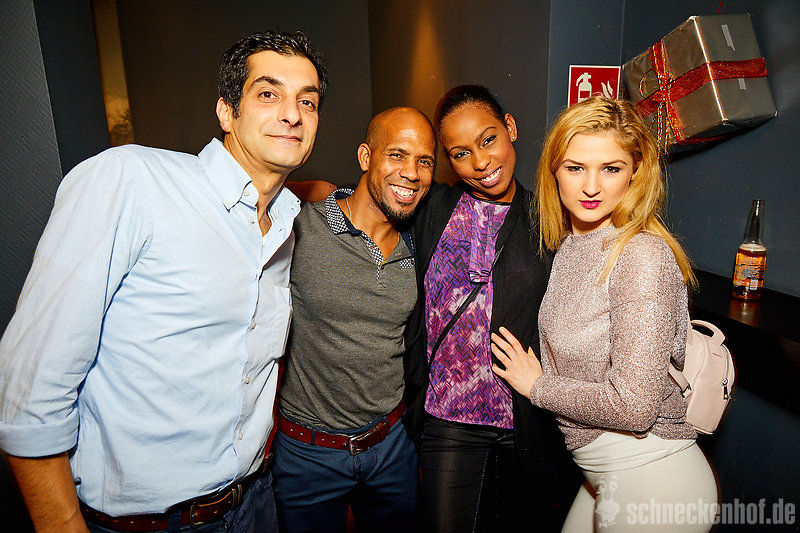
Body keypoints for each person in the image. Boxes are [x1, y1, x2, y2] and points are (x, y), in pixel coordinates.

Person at [0, 30, 327, 533]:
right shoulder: (131, 181)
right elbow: (28, 388)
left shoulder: (286, 224)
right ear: (226, 112)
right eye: (268, 93)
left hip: (255, 501)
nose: (292, 114)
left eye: (308, 101)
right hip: (147, 523)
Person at [491, 96, 718, 533]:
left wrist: (537, 385)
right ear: (554, 170)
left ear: (635, 172)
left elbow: (634, 408)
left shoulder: (641, 255)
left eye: (611, 168)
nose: (591, 187)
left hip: (654, 477)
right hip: (604, 475)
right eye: (575, 167)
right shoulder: (570, 245)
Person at [403, 85, 579, 533]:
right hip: (448, 418)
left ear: (510, 128)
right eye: (461, 154)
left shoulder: (550, 216)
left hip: (525, 420)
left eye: (488, 140)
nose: (480, 163)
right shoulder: (433, 208)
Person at [273, 107, 436, 533]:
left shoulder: (422, 245)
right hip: (309, 453)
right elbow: (252, 189)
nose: (411, 172)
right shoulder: (303, 225)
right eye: (397, 154)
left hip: (392, 447)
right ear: (365, 157)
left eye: (424, 161)